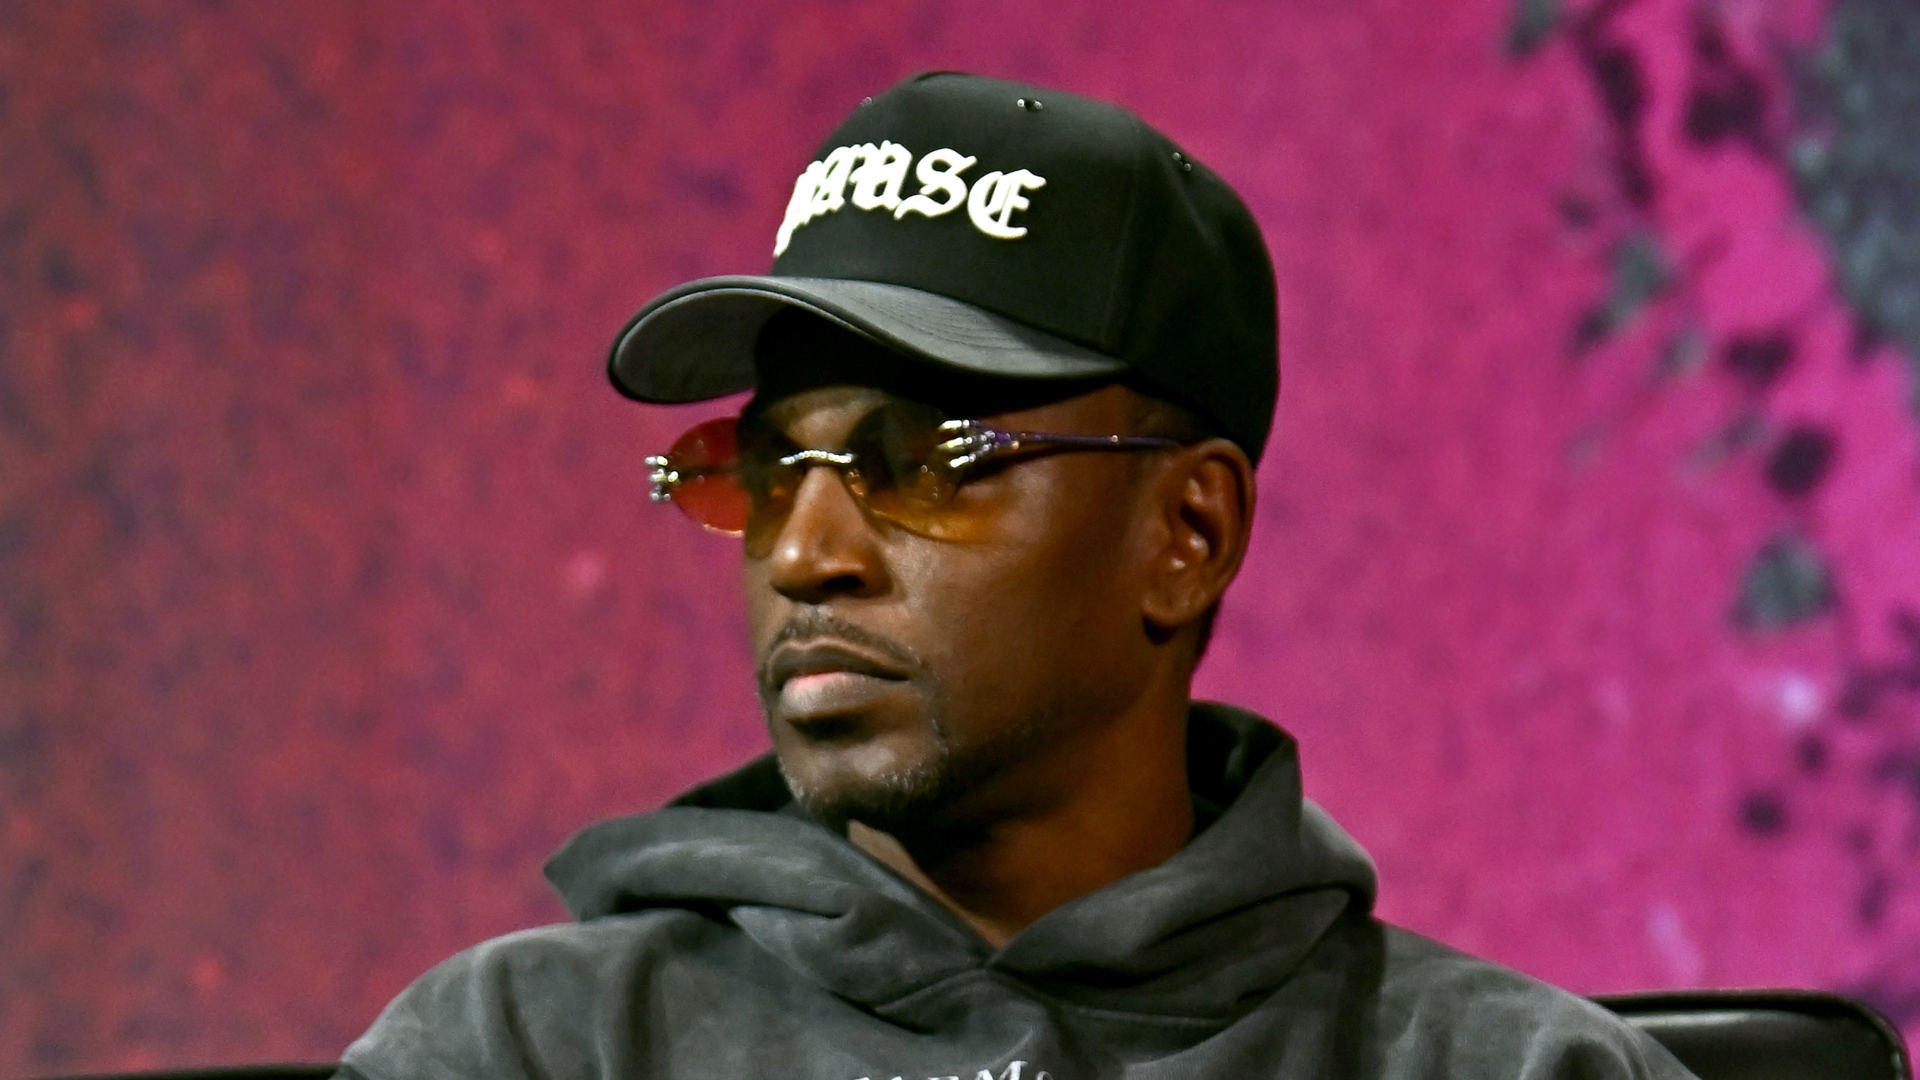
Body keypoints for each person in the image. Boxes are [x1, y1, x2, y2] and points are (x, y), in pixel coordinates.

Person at [338, 72, 1694, 1080]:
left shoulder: (1513, 1074)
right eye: (762, 470)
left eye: (923, 461)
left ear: (1189, 533)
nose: (805, 554)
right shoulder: (519, 1053)